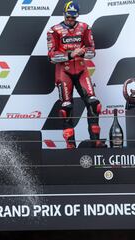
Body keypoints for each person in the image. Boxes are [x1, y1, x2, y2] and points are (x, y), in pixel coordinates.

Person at [47, 1, 106, 148]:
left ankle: (96, 141)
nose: (70, 20)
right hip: (63, 72)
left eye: (73, 17)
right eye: (68, 17)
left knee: (94, 104)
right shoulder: (54, 30)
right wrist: (71, 54)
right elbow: (51, 57)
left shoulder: (85, 28)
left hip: (81, 70)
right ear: (64, 14)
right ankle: (70, 145)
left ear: (77, 16)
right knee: (66, 108)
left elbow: (92, 52)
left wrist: (84, 51)